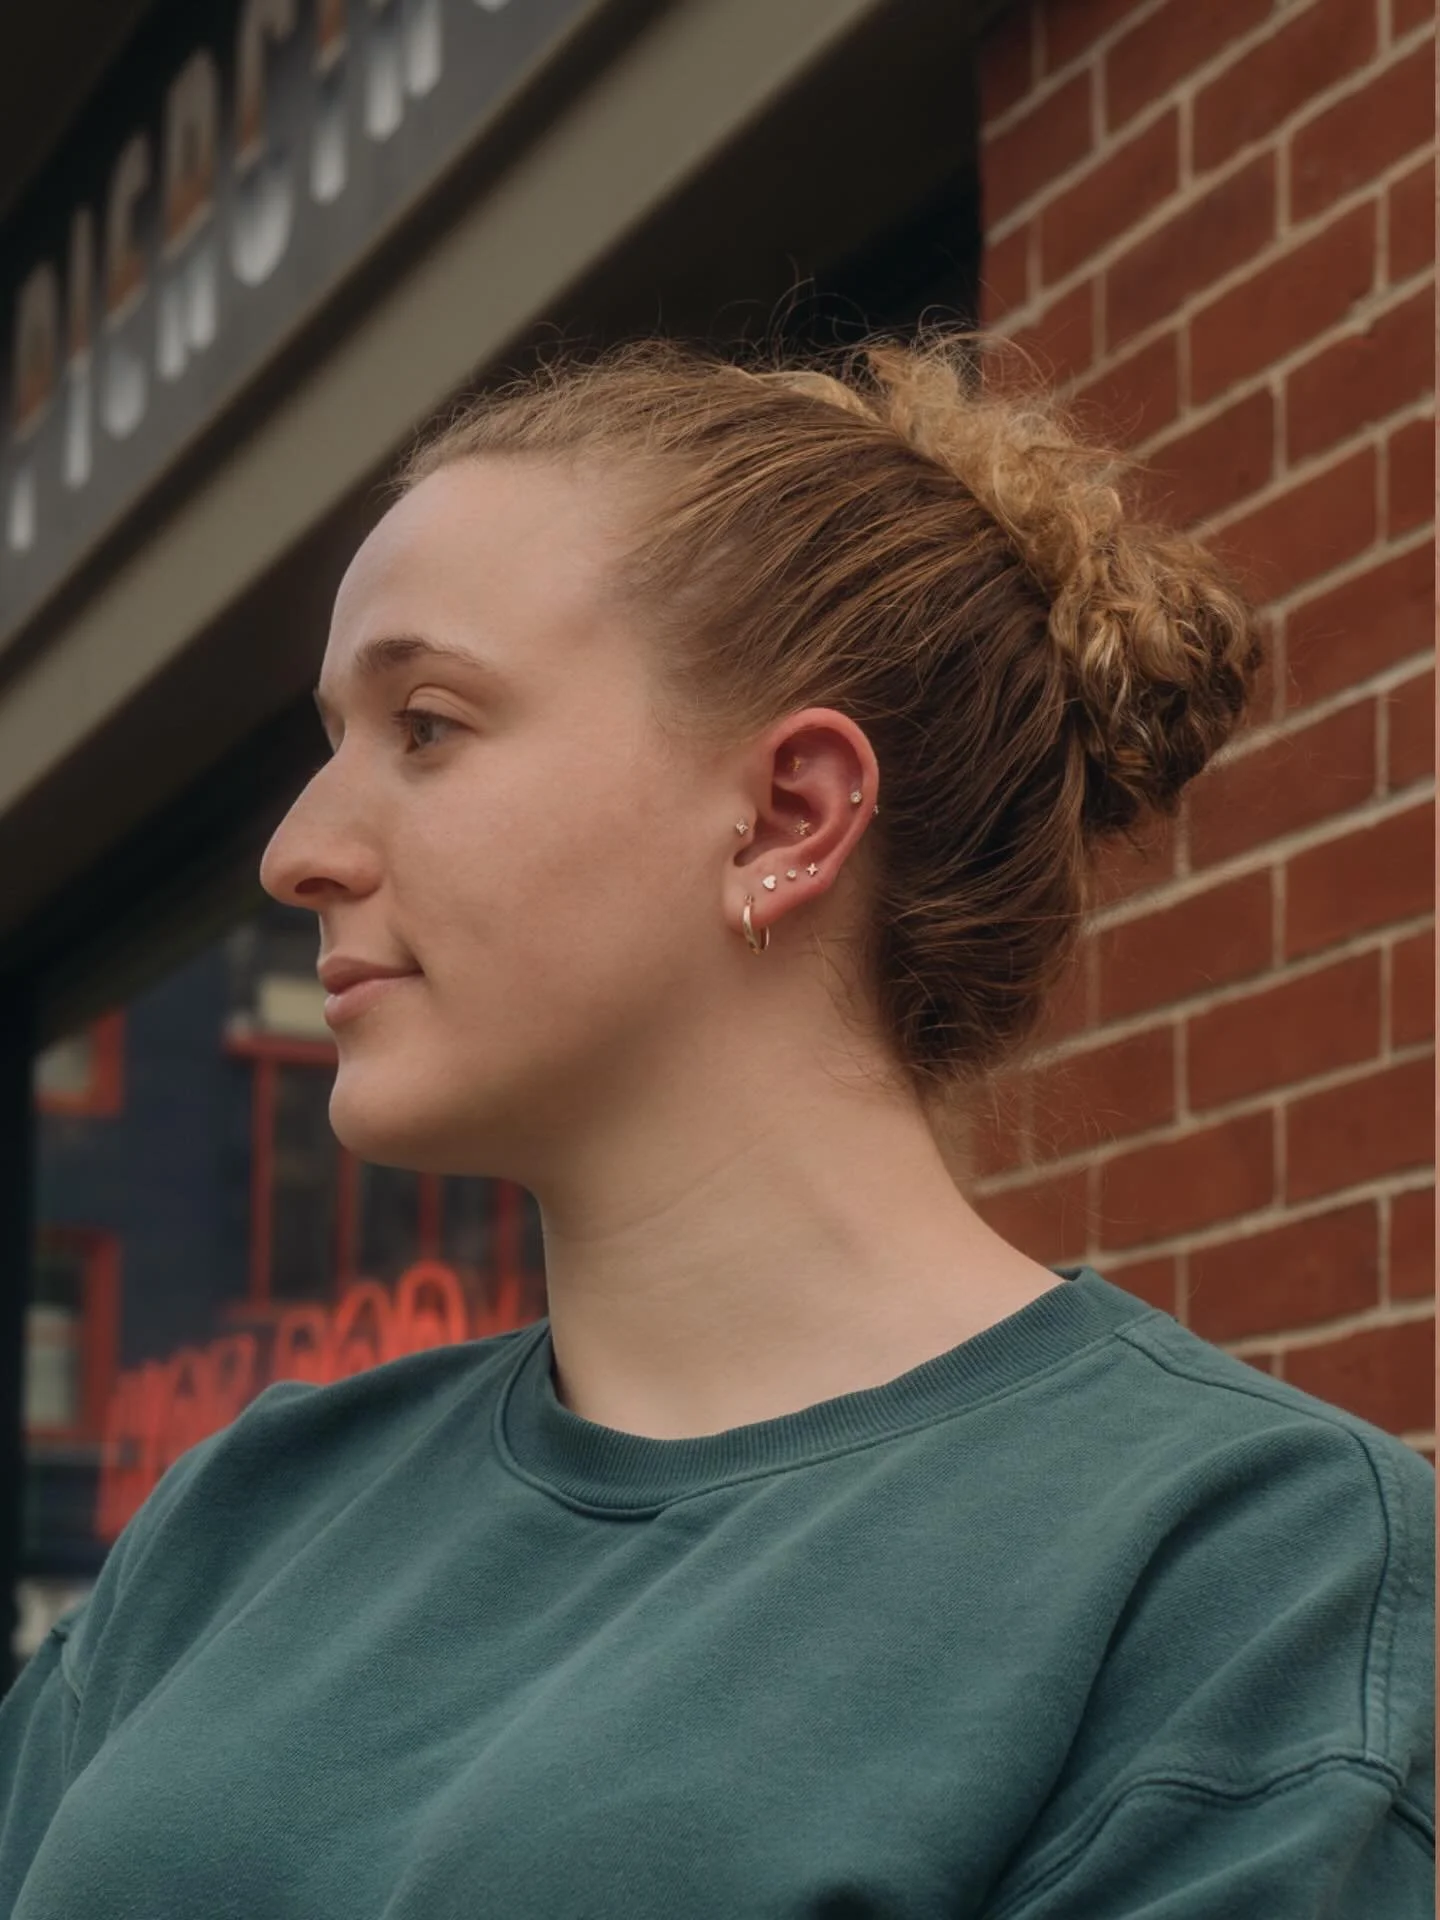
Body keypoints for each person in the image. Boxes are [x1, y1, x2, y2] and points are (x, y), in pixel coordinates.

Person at [1, 329, 1432, 1917]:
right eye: (332, 740)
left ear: (787, 814)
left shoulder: (1243, 1564)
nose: (297, 849)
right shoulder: (252, 1513)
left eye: (427, 727)